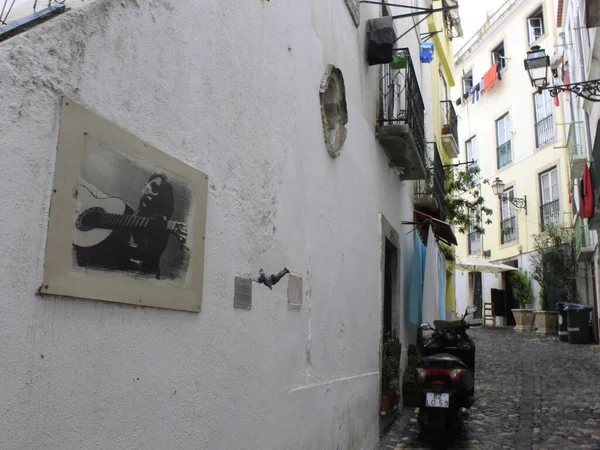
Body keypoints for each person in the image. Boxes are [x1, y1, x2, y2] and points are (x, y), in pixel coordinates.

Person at [73, 173, 175, 280]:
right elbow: (81, 185)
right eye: (154, 187)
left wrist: (152, 257)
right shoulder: (118, 207)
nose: (154, 194)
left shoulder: (154, 235)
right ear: (144, 186)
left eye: (162, 196)